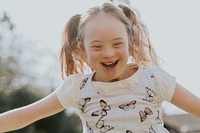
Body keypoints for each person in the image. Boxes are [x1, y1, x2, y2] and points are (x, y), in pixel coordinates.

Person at [0, 2, 200, 133]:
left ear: (130, 43)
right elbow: (21, 116)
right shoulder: (78, 88)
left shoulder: (154, 81)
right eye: (97, 46)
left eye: (117, 44)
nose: (108, 53)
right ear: (82, 50)